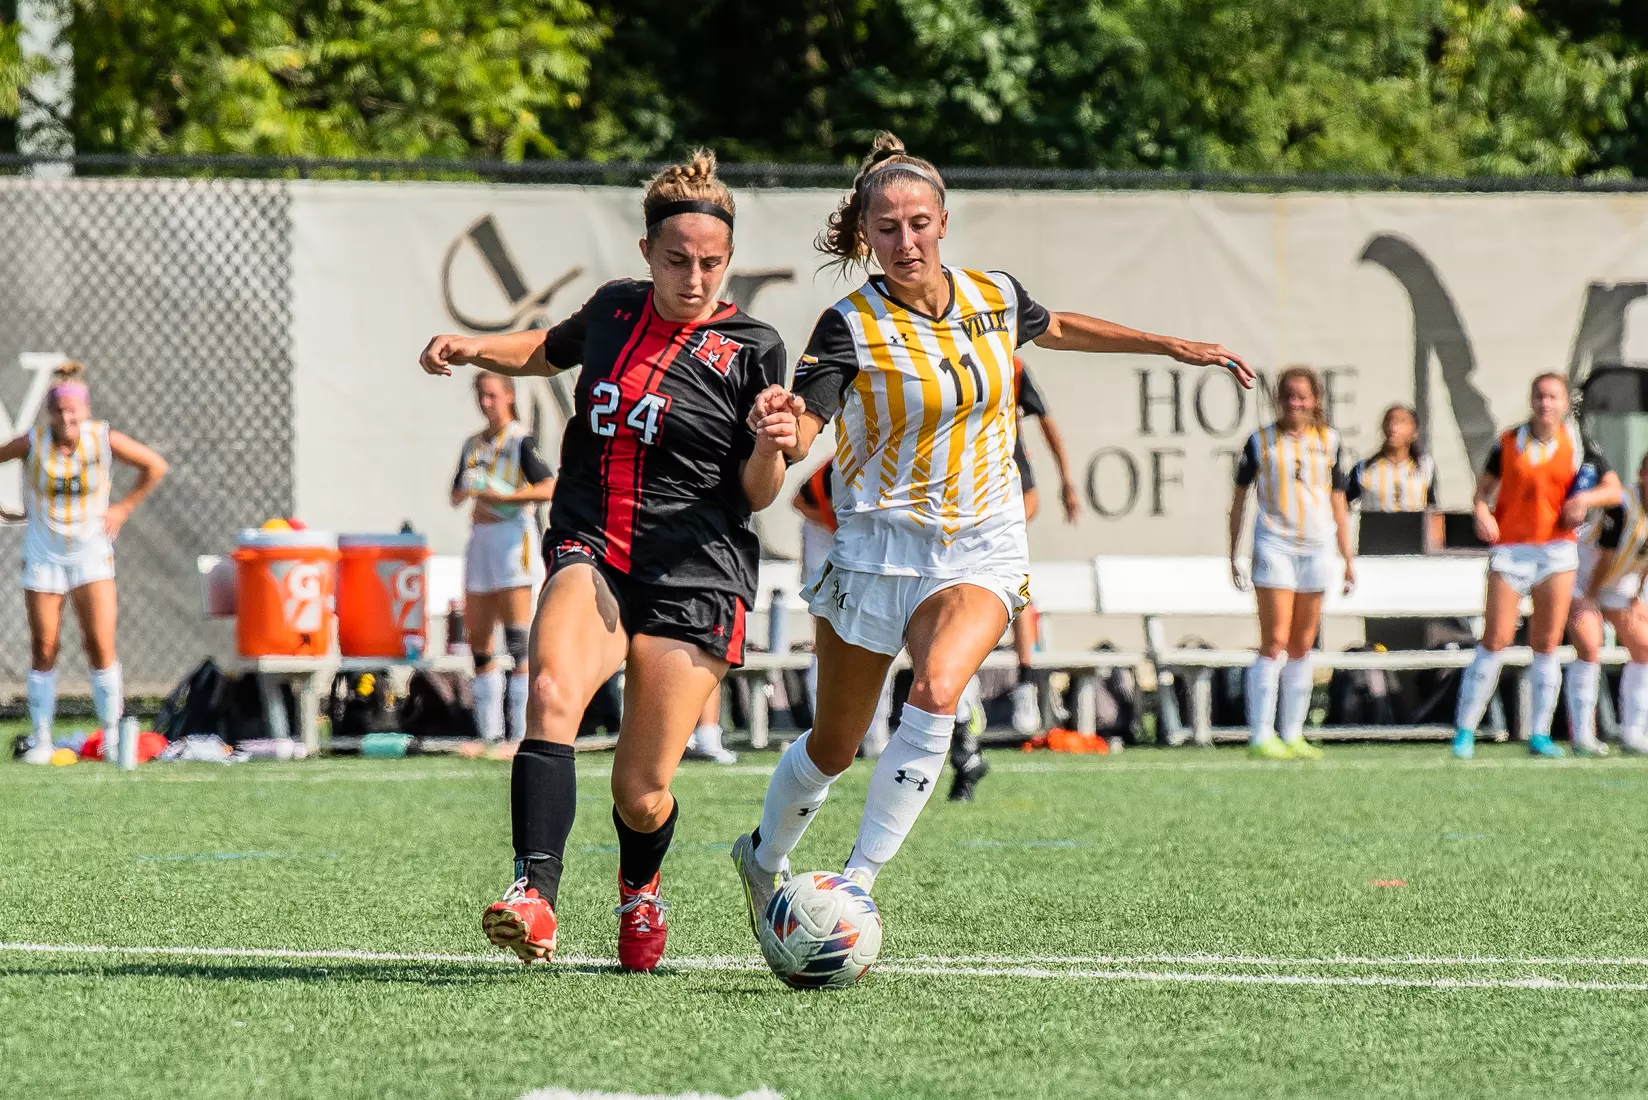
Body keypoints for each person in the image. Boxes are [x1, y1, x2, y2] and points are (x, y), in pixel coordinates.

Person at [730, 131, 1253, 925]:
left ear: (943, 221)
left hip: (983, 538)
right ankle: (762, 856)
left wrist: (1168, 343)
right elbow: (808, 433)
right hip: (876, 545)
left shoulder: (993, 296)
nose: (905, 241)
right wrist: (780, 426)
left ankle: (856, 884)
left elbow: (1059, 326)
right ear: (864, 236)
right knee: (834, 745)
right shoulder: (849, 325)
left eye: (918, 223)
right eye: (887, 228)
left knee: (939, 689)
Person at [419, 150, 796, 970]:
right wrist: (474, 349)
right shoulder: (615, 311)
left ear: (726, 263)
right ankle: (536, 896)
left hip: (696, 572)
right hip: (595, 548)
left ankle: (639, 890)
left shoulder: (753, 346)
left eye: (710, 263)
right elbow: (548, 350)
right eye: (676, 260)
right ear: (646, 255)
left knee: (640, 788)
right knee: (549, 691)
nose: (693, 277)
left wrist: (774, 445)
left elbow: (760, 492)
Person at [0, 361, 167, 764]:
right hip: (44, 552)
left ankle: (111, 736)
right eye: (59, 410)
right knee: (45, 645)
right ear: (50, 413)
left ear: (85, 410)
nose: (66, 416)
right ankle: (41, 738)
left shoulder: (103, 438)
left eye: (73, 409)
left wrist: (122, 509)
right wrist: (11, 511)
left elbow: (154, 466)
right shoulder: (32, 442)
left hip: (91, 552)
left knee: (99, 644)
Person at [1451, 372, 1620, 760]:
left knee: (1545, 643)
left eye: (1553, 397)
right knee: (1495, 638)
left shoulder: (1577, 443)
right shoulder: (1509, 441)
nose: (1546, 404)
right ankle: (1465, 731)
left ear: (1565, 404)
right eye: (1540, 396)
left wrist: (1585, 499)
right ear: (1532, 401)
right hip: (1511, 551)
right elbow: (1482, 491)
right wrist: (1481, 511)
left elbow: (1612, 489)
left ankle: (1540, 734)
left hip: (1556, 552)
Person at [1228, 367, 1355, 761]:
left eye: (1302, 396)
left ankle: (1294, 732)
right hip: (1275, 544)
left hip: (1317, 546)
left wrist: (1347, 556)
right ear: (1278, 400)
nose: (1295, 403)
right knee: (1275, 640)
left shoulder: (1329, 441)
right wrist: (1234, 551)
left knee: (1302, 644)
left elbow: (1339, 500)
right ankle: (1260, 735)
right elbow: (1238, 499)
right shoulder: (1260, 441)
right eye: (1288, 396)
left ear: (1315, 399)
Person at [452, 373, 556, 743]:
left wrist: (503, 497)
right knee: (478, 637)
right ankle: (489, 734)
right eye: (481, 395)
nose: (486, 403)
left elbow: (548, 486)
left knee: (518, 639)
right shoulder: (474, 443)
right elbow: (456, 493)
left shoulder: (520, 440)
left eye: (492, 395)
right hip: (481, 538)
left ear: (509, 396)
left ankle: (521, 735)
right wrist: (469, 489)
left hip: (513, 538)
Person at [1003, 355, 1080, 738]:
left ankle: (1025, 681)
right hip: (952, 490)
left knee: (1017, 589)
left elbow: (1047, 422)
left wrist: (1067, 479)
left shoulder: (1010, 365)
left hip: (1001, 488)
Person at [1565, 452, 1648, 756]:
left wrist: (1638, 596)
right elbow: (1606, 554)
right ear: (1642, 474)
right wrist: (1589, 599)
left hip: (1616, 582)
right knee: (1589, 645)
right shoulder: (1621, 503)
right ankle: (1583, 734)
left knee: (1644, 647)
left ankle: (1634, 733)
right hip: (1583, 574)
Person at [1345, 404, 1437, 513]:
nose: (1393, 427)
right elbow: (1343, 504)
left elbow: (1433, 509)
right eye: (1389, 421)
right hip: (1376, 529)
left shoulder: (1425, 466)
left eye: (1401, 422)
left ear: (1414, 432)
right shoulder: (1364, 468)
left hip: (1413, 529)